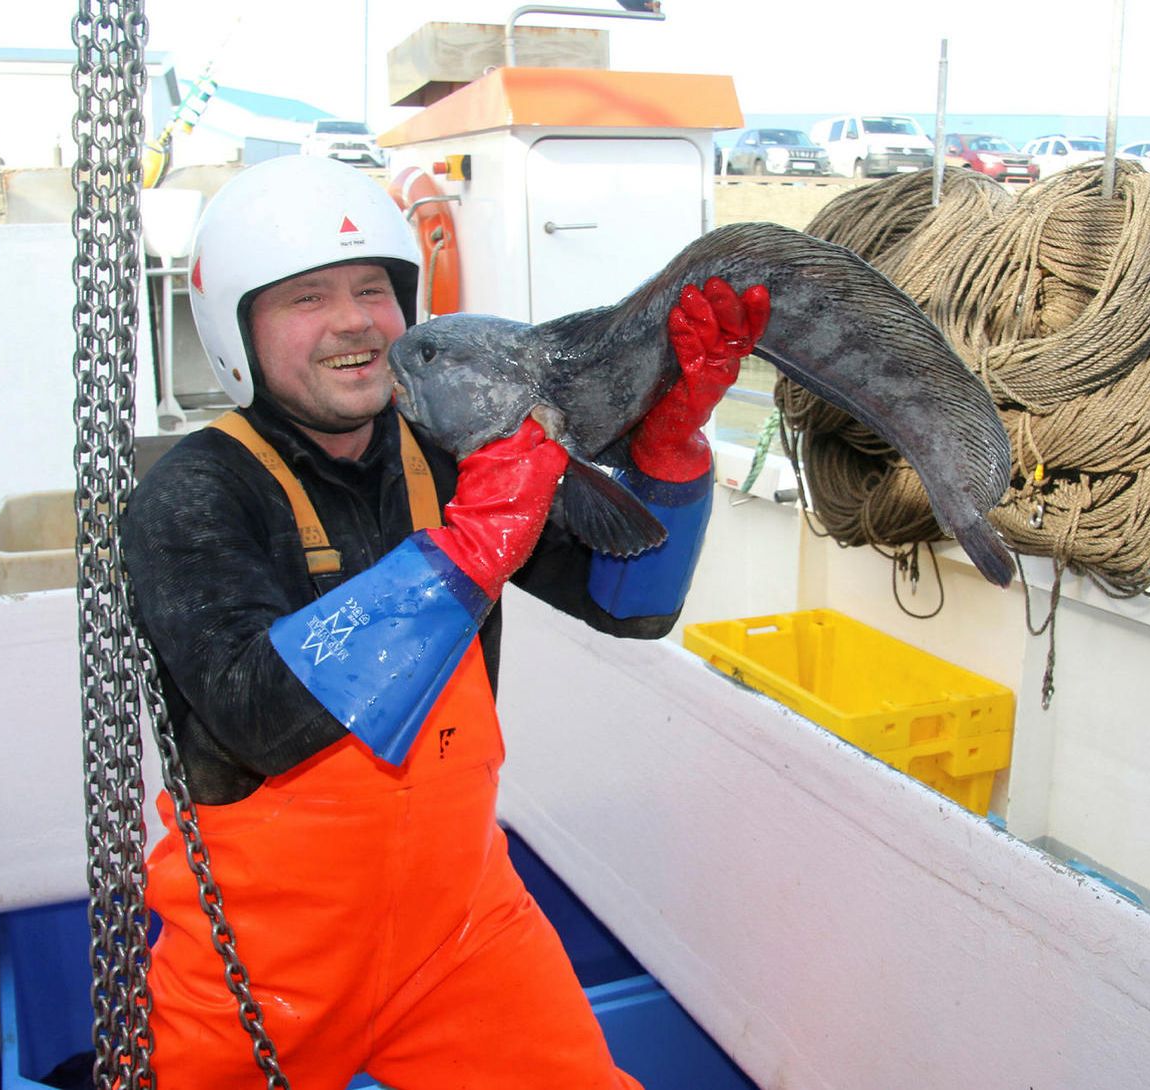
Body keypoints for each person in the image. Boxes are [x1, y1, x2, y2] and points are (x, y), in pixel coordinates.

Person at [120, 155, 768, 1090]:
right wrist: (471, 548)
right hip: (258, 967)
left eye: (373, 290)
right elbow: (256, 715)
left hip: (461, 934)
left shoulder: (449, 453)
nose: (353, 321)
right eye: (307, 298)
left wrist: (667, 452)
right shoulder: (193, 495)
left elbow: (635, 604)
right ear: (237, 331)